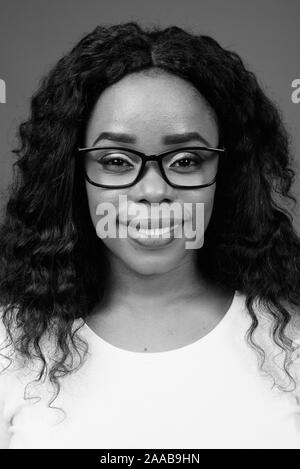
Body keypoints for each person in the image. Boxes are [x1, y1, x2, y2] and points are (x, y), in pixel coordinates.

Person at [0, 21, 300, 450]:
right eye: (118, 161)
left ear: (225, 174)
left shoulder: (291, 344)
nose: (154, 191)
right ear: (73, 174)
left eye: (185, 160)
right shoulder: (10, 350)